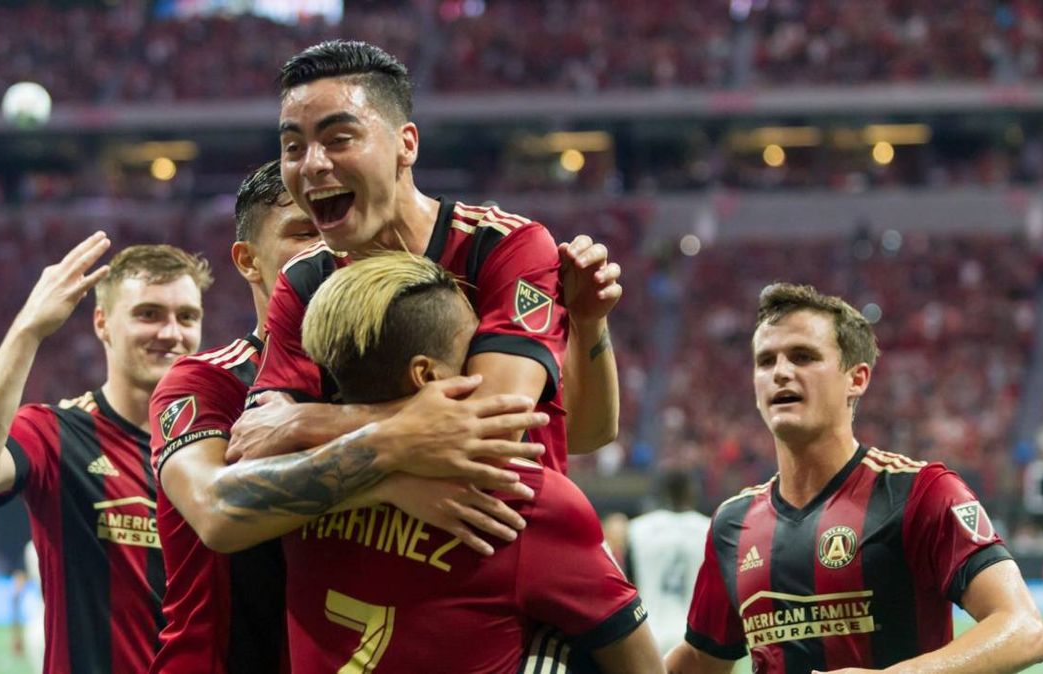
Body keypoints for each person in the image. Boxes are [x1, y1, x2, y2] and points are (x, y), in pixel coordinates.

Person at [149, 161, 625, 672]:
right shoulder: (207, 382)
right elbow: (218, 511)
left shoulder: (419, 373)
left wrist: (587, 323)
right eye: (303, 231)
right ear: (249, 260)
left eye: (329, 226)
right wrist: (390, 463)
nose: (323, 247)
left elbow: (585, 433)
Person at [226, 40, 609, 477]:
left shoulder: (505, 246)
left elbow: (494, 429)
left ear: (405, 145)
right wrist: (394, 473)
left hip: (510, 535)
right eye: (293, 147)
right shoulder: (306, 279)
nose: (312, 163)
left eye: (339, 139)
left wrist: (310, 421)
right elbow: (257, 444)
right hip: (375, 542)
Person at [278, 251, 663, 673]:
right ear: (427, 375)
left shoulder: (291, 488)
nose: (486, 365)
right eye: (475, 348)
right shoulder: (520, 498)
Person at [665, 283, 1043, 674]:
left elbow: (1023, 628)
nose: (780, 372)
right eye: (766, 362)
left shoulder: (921, 493)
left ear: (857, 378)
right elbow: (700, 660)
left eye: (803, 356)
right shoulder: (733, 524)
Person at [0, 239, 211, 674]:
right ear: (102, 323)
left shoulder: (217, 442)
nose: (171, 333)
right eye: (148, 314)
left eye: (187, 317)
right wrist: (28, 329)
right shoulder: (57, 433)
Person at [609, 471, 710, 656]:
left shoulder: (636, 529)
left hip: (650, 633)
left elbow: (627, 584)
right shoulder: (709, 528)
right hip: (695, 637)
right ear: (691, 492)